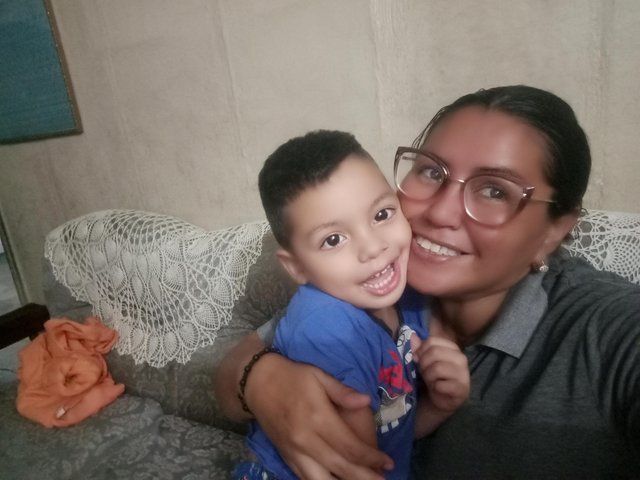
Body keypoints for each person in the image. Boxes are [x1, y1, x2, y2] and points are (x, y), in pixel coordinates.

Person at [215, 85, 640, 479]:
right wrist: (263, 379)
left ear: (553, 231)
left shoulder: (606, 329)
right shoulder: (377, 287)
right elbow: (231, 370)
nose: (440, 212)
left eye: (495, 191)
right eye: (433, 172)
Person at [233, 130, 470, 480]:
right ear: (296, 267)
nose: (372, 247)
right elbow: (356, 466)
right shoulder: (327, 329)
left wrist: (439, 404)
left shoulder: (411, 300)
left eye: (382, 214)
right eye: (333, 239)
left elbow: (392, 436)